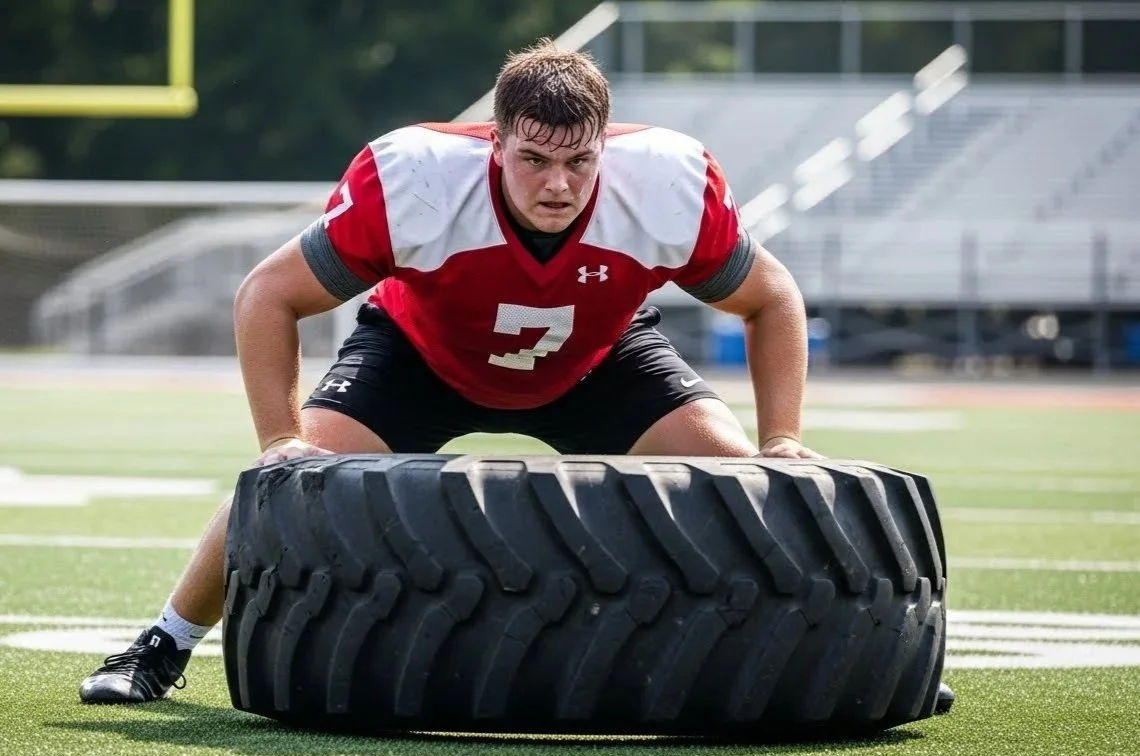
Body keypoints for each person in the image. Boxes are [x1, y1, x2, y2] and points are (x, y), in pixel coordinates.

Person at [78, 39, 953, 715]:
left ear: (607, 147)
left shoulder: (667, 182)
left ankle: (858, 656)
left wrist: (784, 439)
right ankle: (161, 645)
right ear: (494, 141)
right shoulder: (416, 178)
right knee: (282, 484)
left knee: (752, 485)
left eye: (580, 162)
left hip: (599, 359)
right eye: (534, 159)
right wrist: (277, 440)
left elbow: (773, 298)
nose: (559, 184)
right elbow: (268, 294)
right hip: (420, 359)